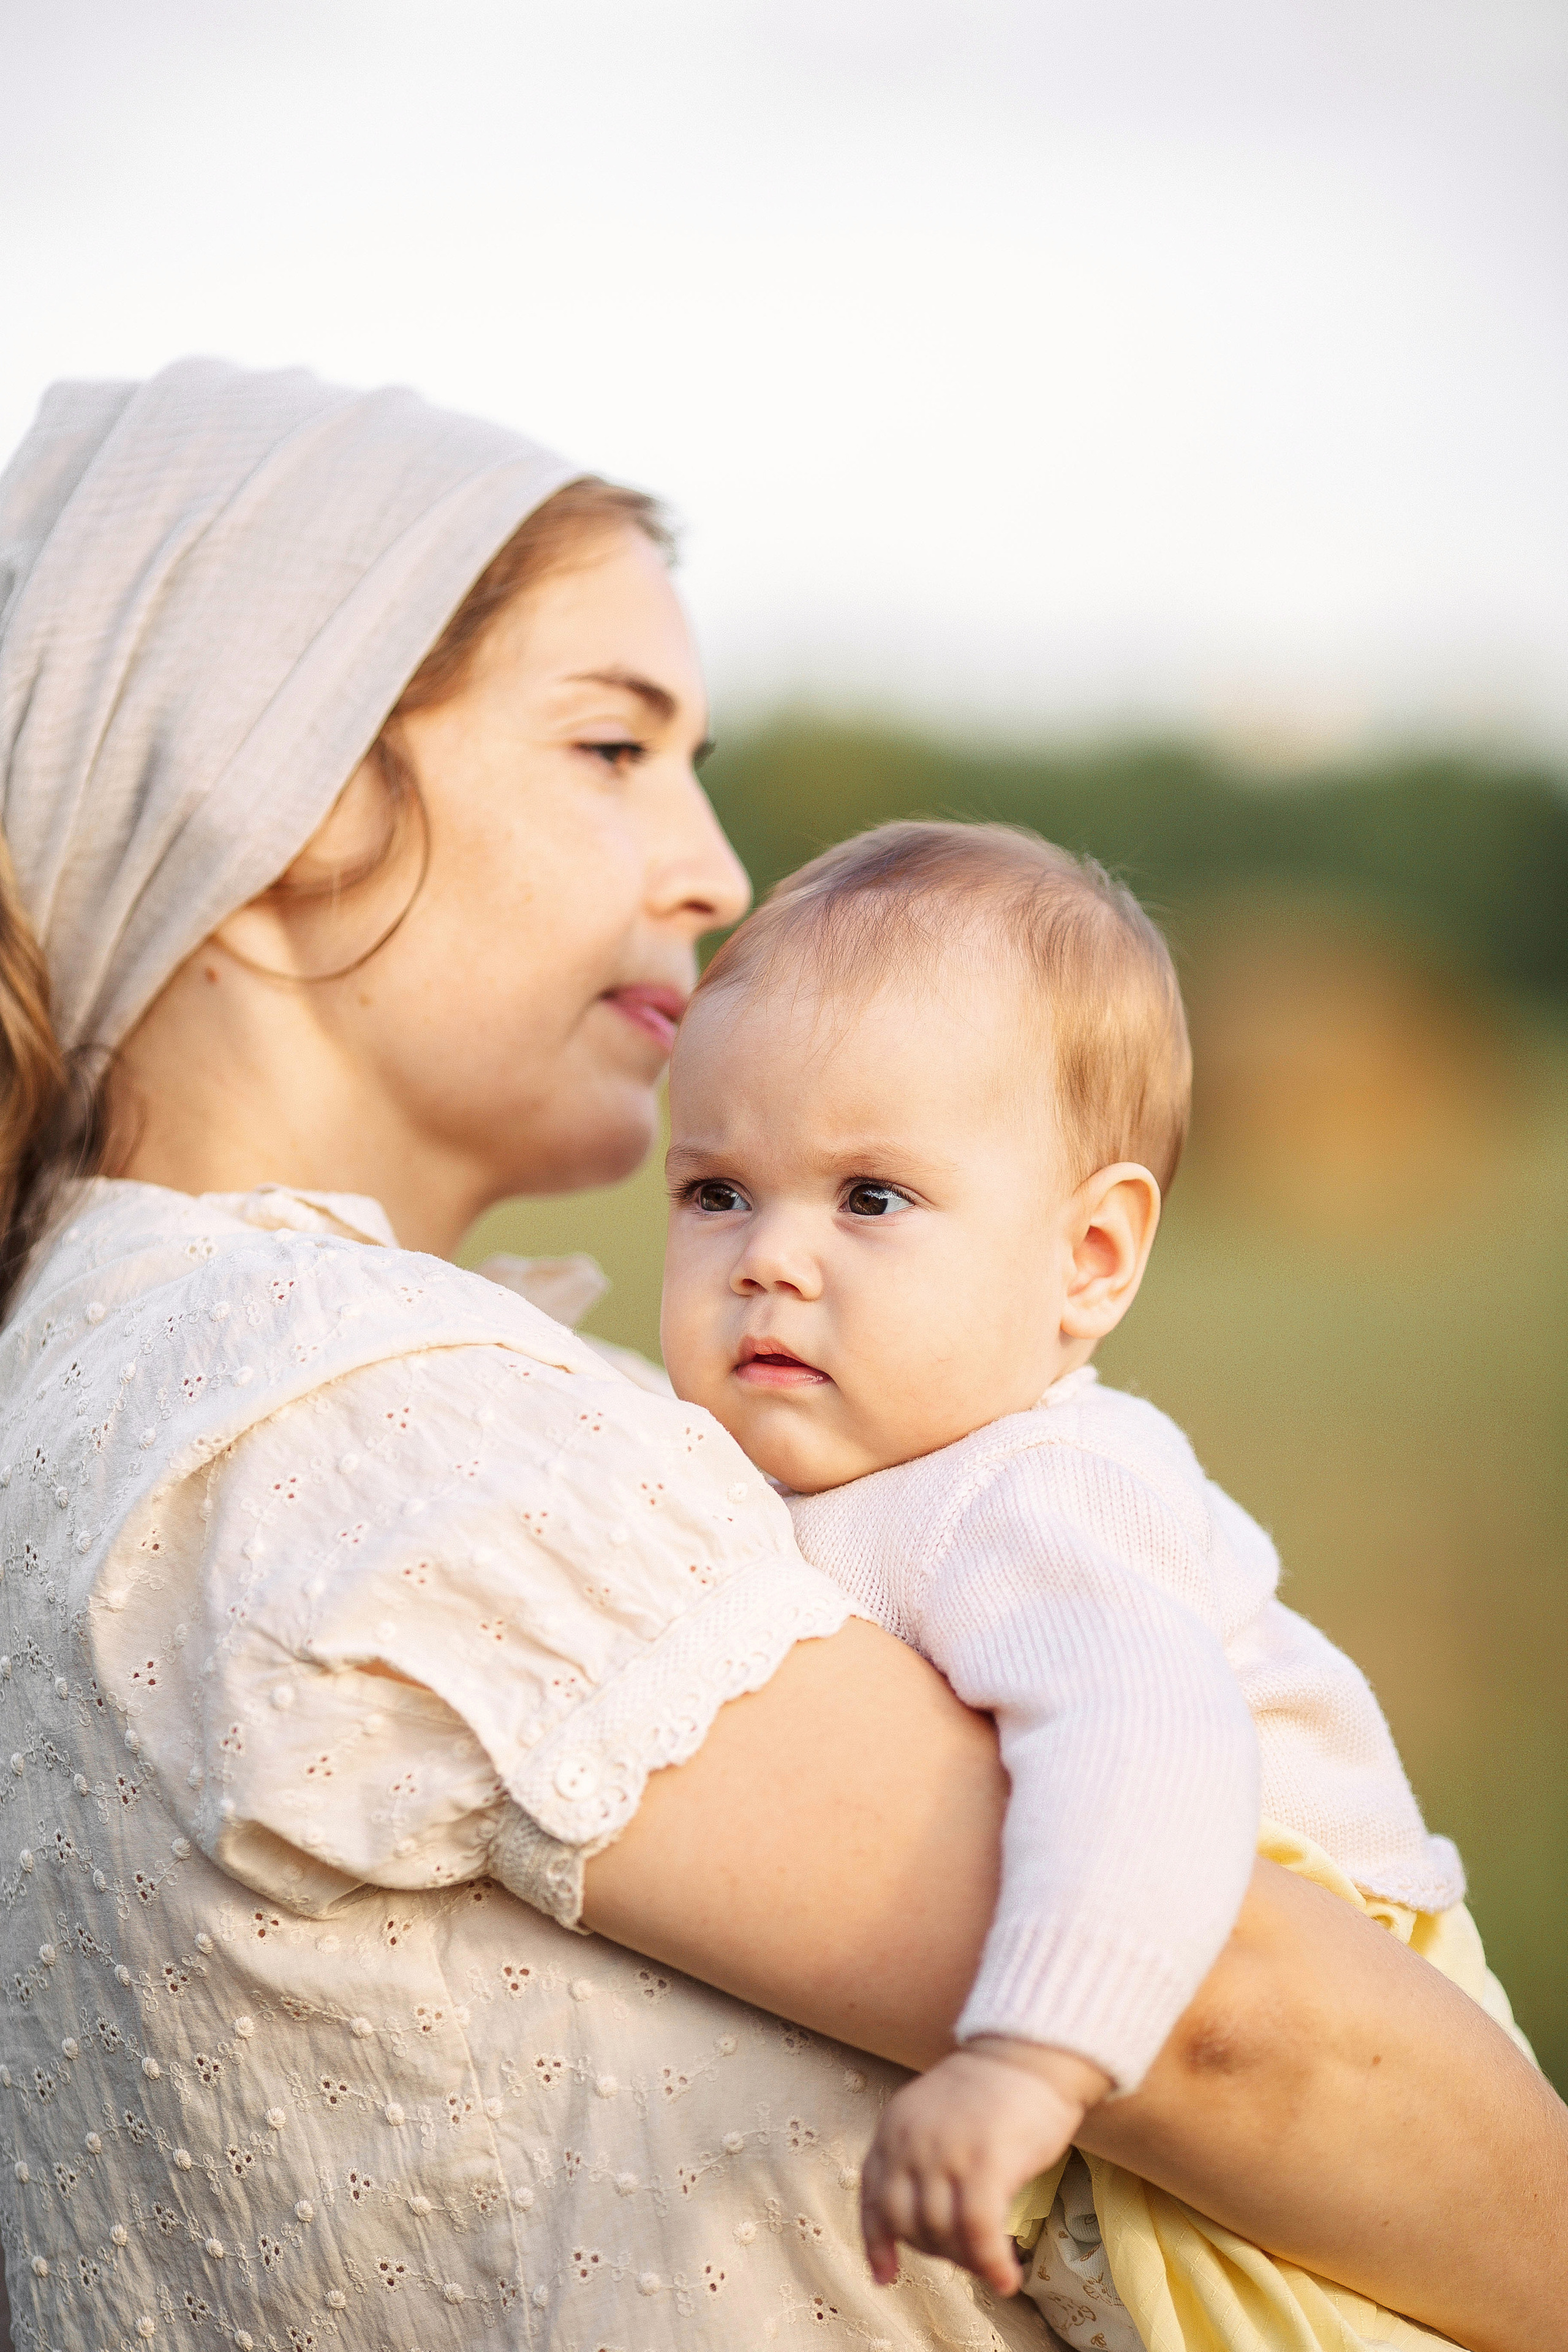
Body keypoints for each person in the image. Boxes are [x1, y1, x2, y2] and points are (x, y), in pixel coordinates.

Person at [0, 362, 1562, 2352]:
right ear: (277, 788)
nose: (717, 872)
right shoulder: (360, 1418)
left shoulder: (78, 1352)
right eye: (614, 745)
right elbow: (1245, 2033)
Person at [658, 820, 1540, 2346]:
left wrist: (1030, 2054)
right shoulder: (835, 1466)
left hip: (1317, 2079)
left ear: (1088, 1257)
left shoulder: (1029, 1490)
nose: (769, 1258)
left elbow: (1146, 1746)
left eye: (870, 1198)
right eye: (716, 1192)